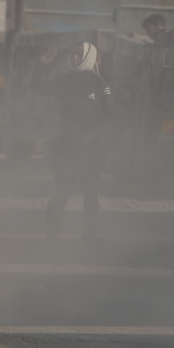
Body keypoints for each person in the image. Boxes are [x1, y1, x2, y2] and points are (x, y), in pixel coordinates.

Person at [30, 42, 113, 242]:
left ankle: (90, 234)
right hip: (66, 147)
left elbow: (108, 114)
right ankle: (53, 233)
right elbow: (37, 86)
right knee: (60, 192)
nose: (74, 58)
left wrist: (92, 134)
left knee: (90, 196)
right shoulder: (63, 81)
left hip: (91, 150)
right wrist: (42, 66)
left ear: (89, 57)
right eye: (72, 55)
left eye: (79, 55)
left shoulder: (101, 84)